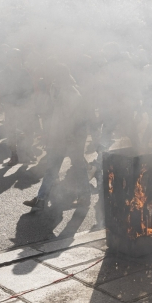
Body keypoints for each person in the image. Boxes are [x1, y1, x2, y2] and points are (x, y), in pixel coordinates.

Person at [23, 64, 90, 211]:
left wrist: (70, 136)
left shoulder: (72, 93)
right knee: (52, 168)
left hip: (72, 136)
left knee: (78, 166)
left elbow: (75, 119)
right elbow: (55, 115)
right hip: (59, 135)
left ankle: (85, 197)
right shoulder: (55, 90)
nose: (51, 79)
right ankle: (41, 198)